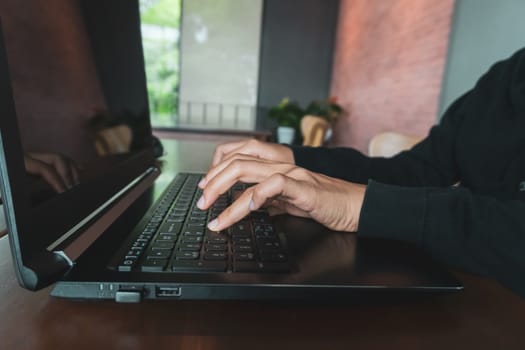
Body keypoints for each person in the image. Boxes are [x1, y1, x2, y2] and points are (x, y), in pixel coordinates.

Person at [196, 47, 525, 297]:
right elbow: (420, 169)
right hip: (469, 287)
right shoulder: (507, 76)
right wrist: (294, 159)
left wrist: (362, 207)